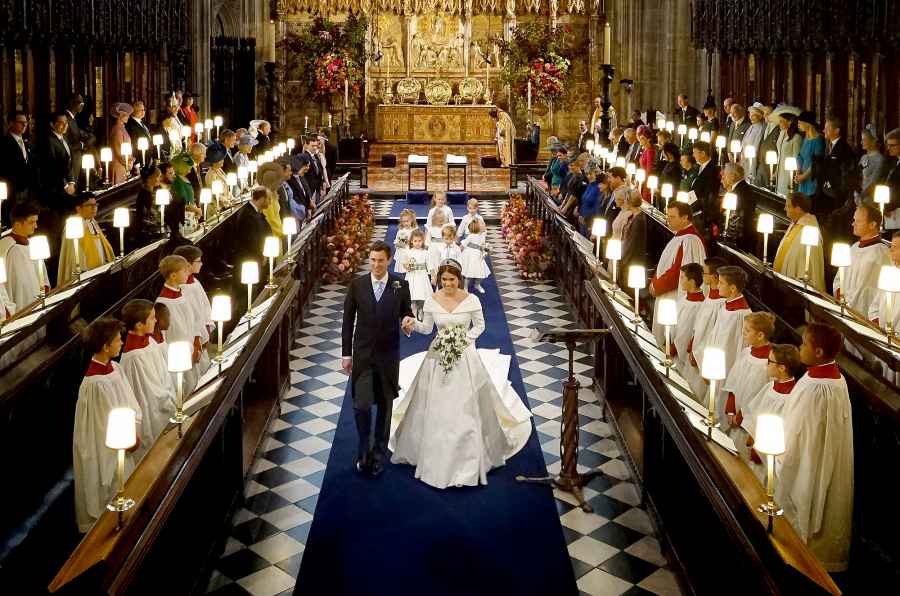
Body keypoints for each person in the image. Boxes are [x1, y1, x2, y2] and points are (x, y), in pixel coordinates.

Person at [390, 258, 532, 488]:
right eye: (444, 279)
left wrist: (462, 340)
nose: (448, 283)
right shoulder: (432, 300)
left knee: (467, 403)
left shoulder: (472, 300)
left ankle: (469, 455)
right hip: (437, 356)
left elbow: (480, 326)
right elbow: (426, 329)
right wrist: (410, 324)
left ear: (460, 279)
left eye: (452, 279)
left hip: (464, 355)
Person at [777, 324, 853, 572]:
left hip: (811, 458)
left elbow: (801, 432)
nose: (799, 348)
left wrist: (779, 451)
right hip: (815, 451)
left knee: (809, 506)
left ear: (818, 352)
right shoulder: (825, 377)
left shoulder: (820, 388)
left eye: (804, 344)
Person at [341, 241, 414, 478]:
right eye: (372, 260)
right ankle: (363, 448)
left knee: (385, 405)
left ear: (389, 260)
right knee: (361, 404)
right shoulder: (357, 285)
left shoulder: (400, 285)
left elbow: (407, 312)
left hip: (388, 355)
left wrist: (407, 321)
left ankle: (379, 453)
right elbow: (347, 321)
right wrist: (346, 354)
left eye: (380, 260)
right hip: (362, 355)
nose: (376, 265)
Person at [73, 317, 143, 532]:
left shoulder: (114, 368)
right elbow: (102, 424)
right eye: (118, 340)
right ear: (105, 346)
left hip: (126, 437)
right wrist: (128, 438)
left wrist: (134, 426)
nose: (122, 343)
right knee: (112, 490)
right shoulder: (95, 384)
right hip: (106, 447)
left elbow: (129, 402)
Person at [120, 299, 176, 446]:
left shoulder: (149, 341)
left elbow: (163, 373)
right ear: (139, 325)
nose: (156, 320)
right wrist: (170, 401)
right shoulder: (134, 357)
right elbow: (150, 393)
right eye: (152, 318)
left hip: (165, 399)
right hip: (151, 411)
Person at [649, 201, 707, 345]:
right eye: (668, 216)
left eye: (672, 217)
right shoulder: (680, 236)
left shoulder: (690, 240)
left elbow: (679, 273)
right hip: (665, 293)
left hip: (673, 295)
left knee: (669, 339)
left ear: (685, 217)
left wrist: (657, 286)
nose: (668, 219)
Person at [739, 343, 804, 471]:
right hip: (754, 448)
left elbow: (784, 433)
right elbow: (755, 414)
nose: (766, 364)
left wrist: (761, 451)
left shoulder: (791, 399)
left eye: (769, 362)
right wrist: (752, 439)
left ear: (782, 368)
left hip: (768, 459)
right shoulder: (770, 387)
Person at [155, 255, 207, 395]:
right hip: (179, 355)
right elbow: (165, 337)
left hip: (193, 347)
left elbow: (194, 319)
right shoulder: (163, 303)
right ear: (173, 275)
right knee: (186, 389)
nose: (188, 273)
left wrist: (197, 341)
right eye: (184, 271)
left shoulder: (182, 293)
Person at [723, 312, 775, 437]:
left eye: (747, 330)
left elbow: (760, 397)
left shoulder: (769, 363)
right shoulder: (746, 353)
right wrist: (730, 410)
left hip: (749, 422)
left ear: (760, 335)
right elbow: (733, 382)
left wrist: (741, 417)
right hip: (734, 414)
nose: (743, 332)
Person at [833, 203, 889, 317]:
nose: (853, 224)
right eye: (854, 220)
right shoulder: (854, 247)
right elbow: (840, 278)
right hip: (843, 308)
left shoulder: (880, 254)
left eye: (858, 221)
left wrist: (850, 307)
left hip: (863, 314)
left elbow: (868, 292)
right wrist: (840, 298)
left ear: (872, 224)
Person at [686, 257, 727, 397]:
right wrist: (692, 344)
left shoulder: (721, 305)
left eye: (704, 273)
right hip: (695, 350)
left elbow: (713, 335)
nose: (702, 276)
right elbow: (699, 326)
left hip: (703, 357)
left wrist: (699, 355)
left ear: (715, 277)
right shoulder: (710, 297)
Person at [56, 192, 115, 286]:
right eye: (89, 205)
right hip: (85, 272)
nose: (94, 208)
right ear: (78, 208)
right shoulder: (74, 224)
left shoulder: (92, 221)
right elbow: (73, 254)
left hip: (100, 268)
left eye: (95, 205)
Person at [704, 265, 752, 378]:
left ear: (733, 288)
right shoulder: (726, 305)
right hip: (713, 364)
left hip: (725, 370)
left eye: (721, 283)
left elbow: (735, 348)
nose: (717, 285)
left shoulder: (742, 315)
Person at [773, 192, 826, 291]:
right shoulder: (796, 223)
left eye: (788, 206)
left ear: (798, 209)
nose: (784, 209)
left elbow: (809, 264)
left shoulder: (810, 229)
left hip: (799, 287)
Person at [173, 245, 213, 376]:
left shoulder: (194, 282)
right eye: (198, 261)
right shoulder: (182, 288)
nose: (201, 263)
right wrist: (198, 338)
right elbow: (191, 317)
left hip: (202, 333)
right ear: (187, 264)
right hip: (192, 339)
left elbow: (205, 307)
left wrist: (207, 327)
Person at [0, 202, 47, 311]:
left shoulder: (31, 244)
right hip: (19, 306)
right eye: (31, 222)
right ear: (17, 224)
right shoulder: (10, 249)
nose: (36, 226)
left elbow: (42, 277)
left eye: (36, 222)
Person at [231, 187, 272, 310]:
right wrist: (262, 255)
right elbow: (251, 240)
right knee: (246, 296)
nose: (270, 202)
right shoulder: (247, 215)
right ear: (262, 198)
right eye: (268, 199)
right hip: (248, 261)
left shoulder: (254, 211)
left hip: (254, 259)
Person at [672, 263, 706, 387]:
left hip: (680, 355)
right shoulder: (685, 298)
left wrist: (673, 347)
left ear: (691, 282)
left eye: (682, 277)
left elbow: (686, 333)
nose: (679, 280)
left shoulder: (699, 305)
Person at [0, 110, 33, 224]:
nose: (24, 125)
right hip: (12, 189)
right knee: (13, 221)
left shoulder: (26, 142)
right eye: (20, 122)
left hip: (26, 190)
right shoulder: (4, 143)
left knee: (25, 220)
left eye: (26, 122)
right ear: (10, 123)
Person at [820, 117, 857, 216]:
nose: (824, 131)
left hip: (837, 195)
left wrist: (838, 191)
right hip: (827, 192)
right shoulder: (829, 146)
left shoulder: (844, 148)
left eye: (827, 128)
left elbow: (846, 173)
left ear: (837, 130)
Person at [869, 231, 900, 336]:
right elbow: (874, 307)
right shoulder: (889, 274)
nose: (891, 250)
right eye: (891, 246)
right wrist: (878, 327)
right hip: (882, 335)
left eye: (895, 247)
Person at [721, 163, 757, 253]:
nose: (723, 178)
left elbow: (734, 216)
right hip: (743, 235)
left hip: (740, 239)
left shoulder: (739, 192)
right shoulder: (742, 189)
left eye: (725, 174)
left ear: (733, 176)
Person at [617, 189, 648, 284]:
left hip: (631, 262)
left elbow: (632, 243)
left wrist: (622, 260)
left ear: (629, 201)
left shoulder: (639, 220)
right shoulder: (634, 216)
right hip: (627, 259)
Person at [690, 141, 721, 233]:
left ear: (703, 153)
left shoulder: (711, 170)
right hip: (695, 207)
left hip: (702, 212)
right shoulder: (700, 167)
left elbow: (708, 194)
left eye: (695, 153)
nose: (693, 155)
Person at [795, 111, 826, 202]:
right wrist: (798, 172)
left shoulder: (819, 140)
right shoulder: (806, 138)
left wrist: (804, 176)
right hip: (802, 178)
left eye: (800, 123)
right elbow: (800, 156)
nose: (798, 125)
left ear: (807, 123)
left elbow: (816, 162)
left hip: (812, 179)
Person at [64, 95, 94, 186]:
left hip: (76, 159)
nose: (82, 106)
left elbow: (77, 132)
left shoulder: (72, 118)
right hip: (71, 160)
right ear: (73, 104)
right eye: (81, 103)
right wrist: (81, 145)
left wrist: (88, 136)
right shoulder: (66, 119)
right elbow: (65, 144)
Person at [774, 113, 803, 196]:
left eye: (781, 121)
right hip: (780, 171)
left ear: (789, 122)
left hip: (789, 174)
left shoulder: (796, 137)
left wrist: (794, 175)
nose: (779, 124)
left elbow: (797, 158)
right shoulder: (782, 133)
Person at [404, 230, 431, 318]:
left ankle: (421, 308)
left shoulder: (425, 252)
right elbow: (405, 263)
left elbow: (429, 264)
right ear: (411, 241)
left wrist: (433, 275)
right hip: (412, 276)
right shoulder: (408, 252)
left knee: (422, 293)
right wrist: (408, 267)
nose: (417, 243)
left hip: (422, 276)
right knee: (412, 293)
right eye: (415, 241)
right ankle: (413, 309)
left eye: (419, 241)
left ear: (423, 241)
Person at [460, 219, 490, 293]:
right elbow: (463, 245)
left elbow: (483, 246)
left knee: (480, 272)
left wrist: (485, 251)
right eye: (482, 224)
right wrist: (458, 254)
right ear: (478, 227)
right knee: (468, 273)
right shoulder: (471, 236)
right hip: (470, 257)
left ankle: (477, 284)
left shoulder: (483, 236)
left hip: (478, 257)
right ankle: (465, 287)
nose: (484, 225)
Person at [135, 164, 162, 241]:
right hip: (147, 232)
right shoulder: (144, 194)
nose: (160, 178)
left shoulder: (151, 191)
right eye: (158, 176)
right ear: (149, 178)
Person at [110, 103, 133, 185]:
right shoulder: (117, 130)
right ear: (121, 116)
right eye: (127, 115)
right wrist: (127, 163)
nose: (129, 117)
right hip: (119, 165)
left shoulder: (122, 128)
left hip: (124, 165)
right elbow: (118, 151)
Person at [394, 209, 417, 275]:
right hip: (403, 252)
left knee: (412, 269)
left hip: (412, 250)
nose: (405, 223)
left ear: (411, 220)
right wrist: (401, 244)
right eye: (403, 222)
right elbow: (397, 243)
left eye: (407, 221)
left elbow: (418, 240)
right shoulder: (401, 231)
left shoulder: (414, 230)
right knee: (403, 269)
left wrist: (411, 242)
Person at [637, 126, 656, 201]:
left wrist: (642, 181)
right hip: (642, 179)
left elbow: (649, 169)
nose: (640, 140)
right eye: (640, 138)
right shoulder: (645, 150)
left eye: (642, 138)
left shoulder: (650, 151)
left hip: (646, 182)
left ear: (648, 139)